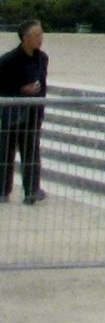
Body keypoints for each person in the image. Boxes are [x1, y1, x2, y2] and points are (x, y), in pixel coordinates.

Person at [0, 19, 47, 204]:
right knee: (5, 153)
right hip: (11, 114)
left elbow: (43, 85)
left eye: (41, 34)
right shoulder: (8, 60)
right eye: (37, 35)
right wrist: (20, 90)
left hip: (32, 113)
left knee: (31, 153)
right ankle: (3, 190)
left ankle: (32, 190)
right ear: (25, 38)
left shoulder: (42, 58)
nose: (41, 38)